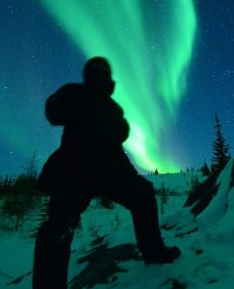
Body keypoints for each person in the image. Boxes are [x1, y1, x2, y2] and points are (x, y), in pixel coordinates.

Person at [33, 57, 181, 289]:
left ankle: (153, 252)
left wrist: (115, 127)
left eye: (102, 73)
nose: (99, 77)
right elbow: (54, 112)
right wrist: (78, 106)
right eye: (96, 73)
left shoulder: (113, 107)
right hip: (74, 171)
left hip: (111, 170)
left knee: (142, 192)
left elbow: (120, 136)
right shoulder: (74, 92)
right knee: (58, 228)